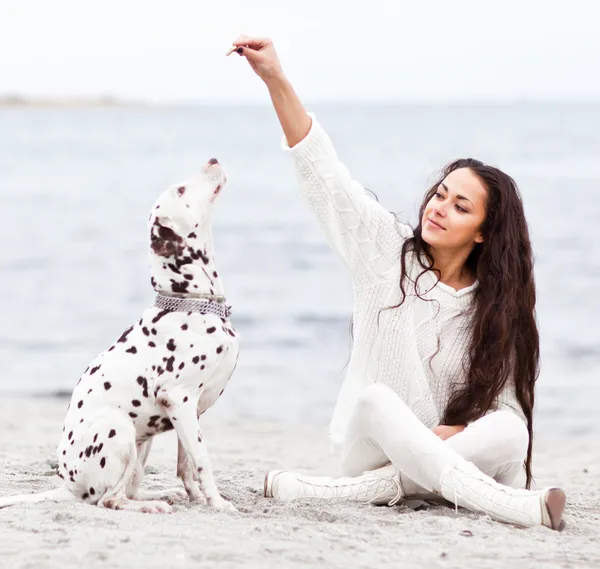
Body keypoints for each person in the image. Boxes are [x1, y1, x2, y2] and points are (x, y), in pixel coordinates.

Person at [226, 36, 566, 530]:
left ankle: (345, 492)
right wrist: (275, 77)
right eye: (441, 194)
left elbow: (506, 416)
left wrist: (434, 444)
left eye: (460, 207)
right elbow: (326, 178)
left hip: (447, 451)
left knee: (512, 429)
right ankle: (511, 508)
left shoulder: (498, 308)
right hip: (373, 445)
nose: (438, 208)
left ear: (485, 233)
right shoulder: (386, 254)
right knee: (376, 399)